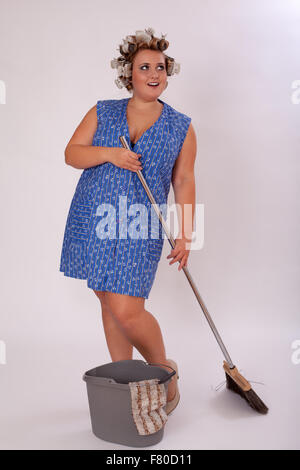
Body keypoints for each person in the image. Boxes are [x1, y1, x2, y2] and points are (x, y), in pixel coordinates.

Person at [59, 28, 197, 414]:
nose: (155, 73)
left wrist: (185, 233)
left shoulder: (181, 127)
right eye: (145, 67)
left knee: (127, 309)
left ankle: (164, 372)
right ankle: (124, 382)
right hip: (94, 216)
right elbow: (72, 154)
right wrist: (110, 154)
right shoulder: (102, 111)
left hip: (139, 223)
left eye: (161, 67)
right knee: (107, 302)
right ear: (129, 74)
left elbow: (184, 180)